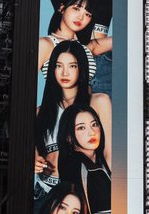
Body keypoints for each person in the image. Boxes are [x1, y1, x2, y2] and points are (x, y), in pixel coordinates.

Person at [34, 40, 111, 195]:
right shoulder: (40, 112)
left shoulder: (98, 102)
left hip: (84, 191)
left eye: (72, 66)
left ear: (81, 68)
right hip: (44, 191)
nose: (65, 73)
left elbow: (109, 153)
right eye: (58, 65)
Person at [57, 104, 112, 214]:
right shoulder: (75, 166)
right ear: (68, 136)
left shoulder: (100, 165)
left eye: (94, 124)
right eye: (81, 127)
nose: (91, 132)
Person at [38, 0, 111, 86]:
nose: (81, 17)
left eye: (88, 14)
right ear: (62, 8)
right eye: (76, 9)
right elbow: (23, 82)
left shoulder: (87, 47)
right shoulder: (45, 44)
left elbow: (124, 41)